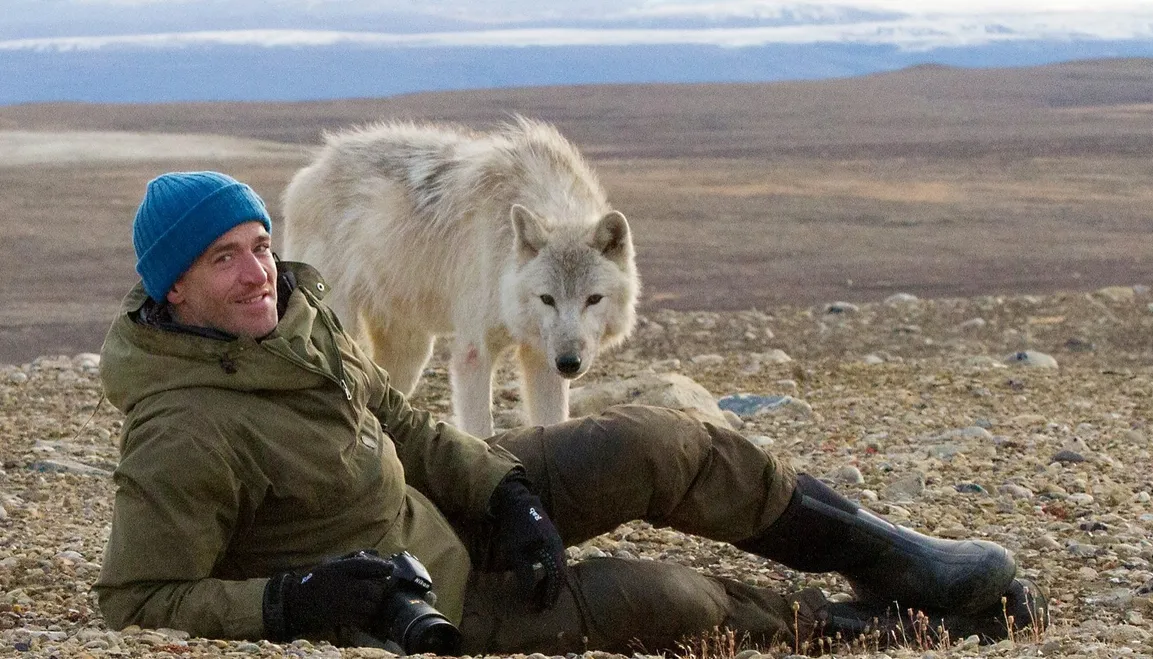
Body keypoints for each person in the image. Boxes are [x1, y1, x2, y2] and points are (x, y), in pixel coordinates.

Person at [94, 171, 1047, 655]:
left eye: (259, 244)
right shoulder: (181, 430)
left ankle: (889, 553)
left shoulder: (297, 325)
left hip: (450, 505)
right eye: (225, 257)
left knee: (657, 442)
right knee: (667, 600)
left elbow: (408, 425)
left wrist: (507, 491)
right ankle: (867, 623)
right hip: (430, 596)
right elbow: (136, 599)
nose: (259, 270)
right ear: (173, 289)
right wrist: (297, 602)